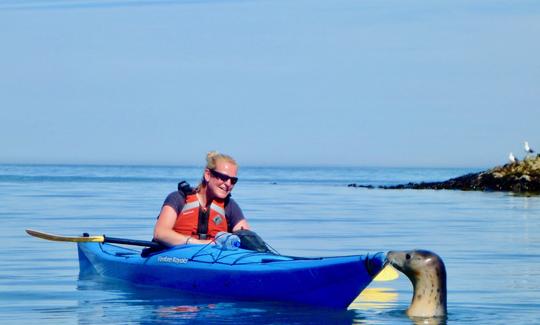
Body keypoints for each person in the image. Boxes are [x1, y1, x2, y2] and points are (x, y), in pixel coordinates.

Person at [153, 151, 250, 246]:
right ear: (207, 175)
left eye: (233, 180)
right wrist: (200, 243)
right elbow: (160, 233)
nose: (228, 184)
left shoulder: (230, 206)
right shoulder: (178, 198)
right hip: (172, 257)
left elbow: (247, 236)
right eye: (223, 177)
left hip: (213, 258)